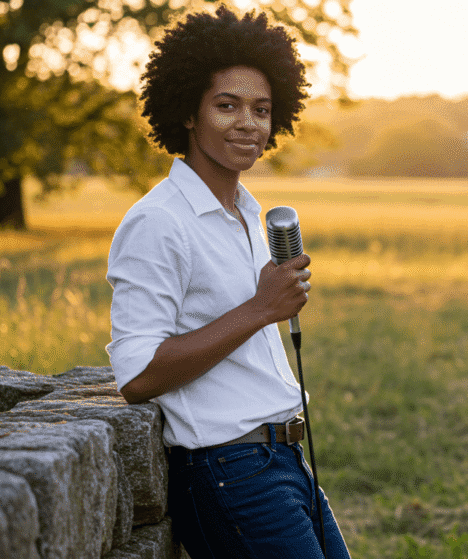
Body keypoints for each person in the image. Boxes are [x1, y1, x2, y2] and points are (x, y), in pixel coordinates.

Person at [105, 6, 350, 558]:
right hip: (228, 470)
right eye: (227, 105)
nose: (248, 123)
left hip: (284, 458)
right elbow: (138, 375)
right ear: (188, 112)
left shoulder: (246, 210)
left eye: (261, 110)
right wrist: (261, 308)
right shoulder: (157, 222)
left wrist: (265, 306)